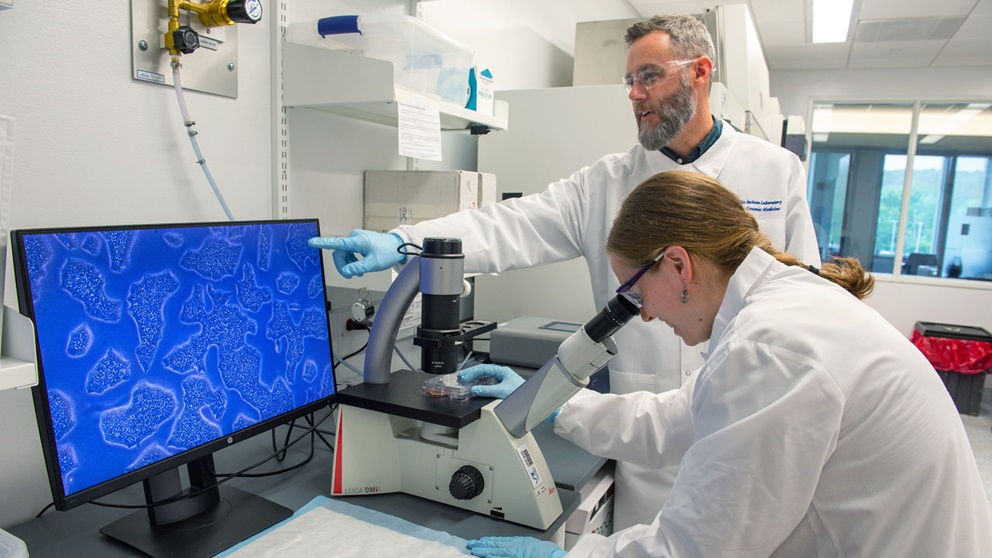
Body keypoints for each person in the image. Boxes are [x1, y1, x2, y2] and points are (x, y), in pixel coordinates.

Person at [310, 14, 821, 529]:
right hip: (643, 447)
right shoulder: (607, 183)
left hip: (746, 436)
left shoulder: (774, 171)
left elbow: (805, 307)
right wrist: (404, 242)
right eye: (629, 81)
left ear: (700, 72)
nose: (634, 95)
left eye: (649, 76)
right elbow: (510, 225)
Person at [463, 170, 992, 557]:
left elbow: (698, 549)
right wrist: (555, 406)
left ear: (677, 264)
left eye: (633, 291)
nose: (643, 314)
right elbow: (678, 418)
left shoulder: (772, 347)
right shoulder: (779, 308)